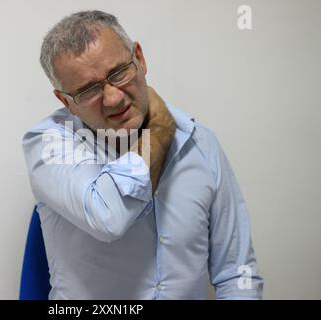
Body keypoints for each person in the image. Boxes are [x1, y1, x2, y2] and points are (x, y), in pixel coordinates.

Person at [22, 10, 264, 299]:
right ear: (66, 101)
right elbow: (108, 217)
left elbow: (236, 272)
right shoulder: (47, 144)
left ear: (140, 57)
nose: (113, 98)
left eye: (118, 73)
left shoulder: (201, 143)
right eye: (88, 90)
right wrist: (161, 127)